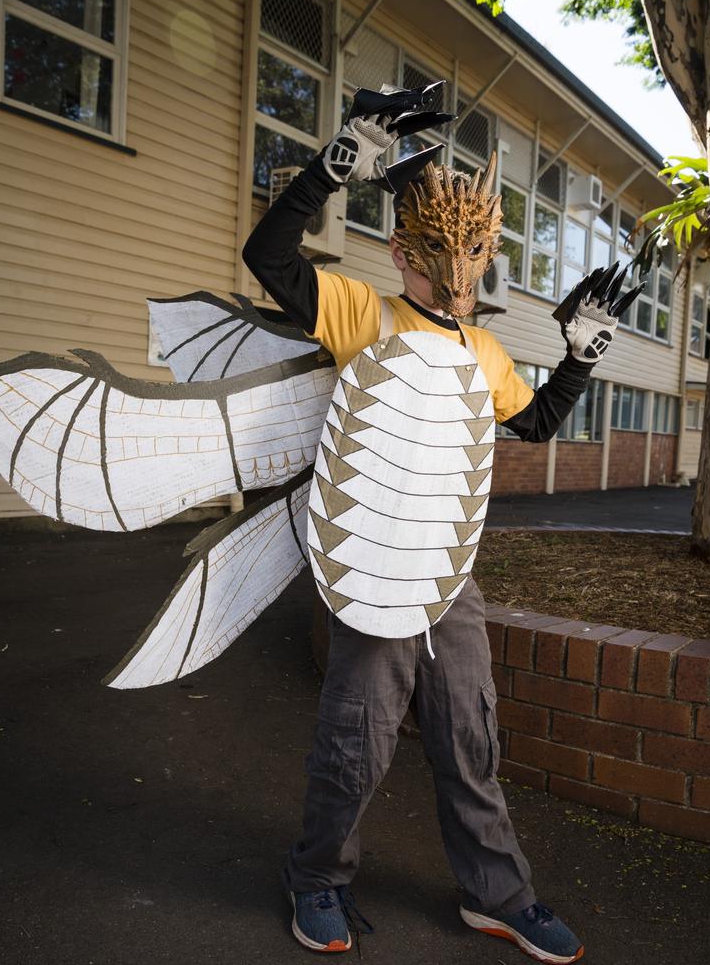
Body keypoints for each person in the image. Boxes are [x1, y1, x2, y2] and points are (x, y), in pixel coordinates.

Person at [243, 84, 638, 965]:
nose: (457, 275)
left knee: (469, 732)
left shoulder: (483, 350)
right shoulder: (361, 312)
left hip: (448, 575)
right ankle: (317, 877)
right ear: (402, 252)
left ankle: (497, 896)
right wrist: (335, 162)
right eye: (437, 255)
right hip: (373, 558)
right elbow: (268, 254)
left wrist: (576, 360)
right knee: (359, 735)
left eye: (473, 255)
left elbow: (530, 425)